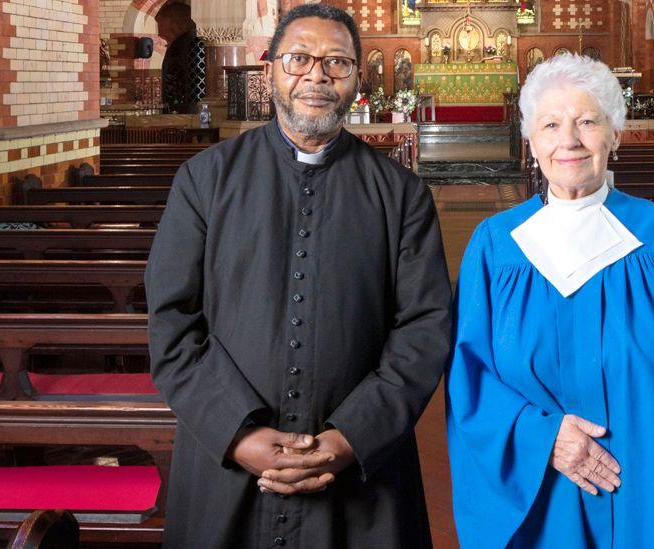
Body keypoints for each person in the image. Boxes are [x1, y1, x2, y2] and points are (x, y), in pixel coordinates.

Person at [446, 53, 654, 548]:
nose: (570, 140)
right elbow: (469, 379)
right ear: (531, 141)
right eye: (551, 124)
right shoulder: (496, 247)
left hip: (649, 492)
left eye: (588, 121)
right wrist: (542, 439)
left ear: (616, 135)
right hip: (544, 496)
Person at [146, 4, 451, 547]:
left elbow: (424, 328)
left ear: (358, 76)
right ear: (271, 70)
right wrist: (238, 436)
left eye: (337, 62)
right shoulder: (204, 180)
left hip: (360, 474)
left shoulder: (402, 195)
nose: (317, 75)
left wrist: (350, 437)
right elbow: (172, 320)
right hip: (228, 464)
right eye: (299, 59)